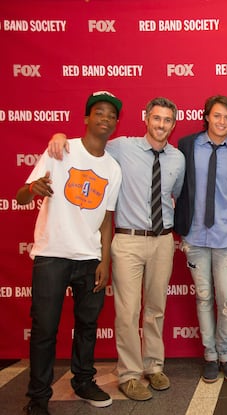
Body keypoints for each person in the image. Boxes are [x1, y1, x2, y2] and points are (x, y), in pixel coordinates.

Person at [47, 97, 186, 401]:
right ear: (145, 118)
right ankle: (129, 375)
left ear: (173, 125)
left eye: (167, 120)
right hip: (127, 240)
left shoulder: (178, 158)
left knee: (155, 309)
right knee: (127, 311)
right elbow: (87, 148)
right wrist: (59, 138)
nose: (161, 125)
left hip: (163, 241)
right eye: (156, 118)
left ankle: (153, 366)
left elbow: (175, 195)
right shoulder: (121, 146)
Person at [17, 91, 123, 415]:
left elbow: (107, 220)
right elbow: (22, 196)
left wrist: (104, 260)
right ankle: (37, 398)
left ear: (116, 123)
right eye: (99, 113)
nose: (105, 119)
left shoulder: (113, 168)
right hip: (52, 254)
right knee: (45, 328)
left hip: (89, 257)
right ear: (87, 118)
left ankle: (83, 379)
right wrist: (31, 190)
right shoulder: (60, 149)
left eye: (111, 115)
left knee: (88, 324)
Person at [174, 95, 227, 383]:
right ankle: (210, 356)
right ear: (206, 116)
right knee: (204, 297)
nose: (221, 122)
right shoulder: (187, 146)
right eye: (216, 116)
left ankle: (226, 355)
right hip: (195, 235)